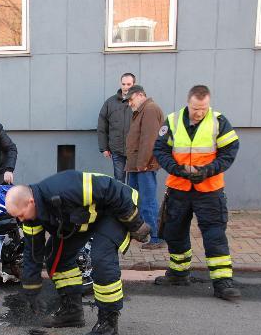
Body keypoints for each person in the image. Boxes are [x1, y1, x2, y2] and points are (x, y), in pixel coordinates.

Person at [5, 171, 150, 335]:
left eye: (20, 215)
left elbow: (112, 190)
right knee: (56, 259)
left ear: (30, 202)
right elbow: (33, 253)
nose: (21, 220)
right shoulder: (31, 217)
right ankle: (72, 311)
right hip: (86, 219)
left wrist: (136, 224)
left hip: (117, 207)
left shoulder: (65, 187)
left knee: (101, 259)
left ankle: (108, 322)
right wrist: (31, 292)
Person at [152, 85, 241, 300]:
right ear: (188, 103)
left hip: (209, 189)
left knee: (214, 235)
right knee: (174, 233)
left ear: (208, 104)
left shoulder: (218, 121)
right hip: (178, 187)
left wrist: (207, 171)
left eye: (203, 108)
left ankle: (222, 283)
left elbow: (229, 152)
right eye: (195, 109)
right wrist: (177, 169)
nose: (199, 113)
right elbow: (160, 149)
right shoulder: (173, 121)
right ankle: (178, 274)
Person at [124, 85, 165, 249]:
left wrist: (142, 164)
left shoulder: (150, 109)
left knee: (148, 202)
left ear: (140, 95)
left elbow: (149, 140)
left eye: (131, 99)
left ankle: (155, 237)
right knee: (135, 200)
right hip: (136, 166)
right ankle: (142, 232)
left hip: (144, 166)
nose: (129, 104)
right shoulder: (141, 111)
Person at [98, 73, 135, 183]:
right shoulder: (110, 102)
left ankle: (132, 201)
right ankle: (120, 200)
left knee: (134, 181)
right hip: (117, 149)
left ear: (134, 84)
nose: (126, 87)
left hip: (134, 150)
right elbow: (102, 125)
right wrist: (104, 147)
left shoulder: (139, 102)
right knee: (119, 181)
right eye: (123, 84)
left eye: (129, 84)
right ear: (120, 84)